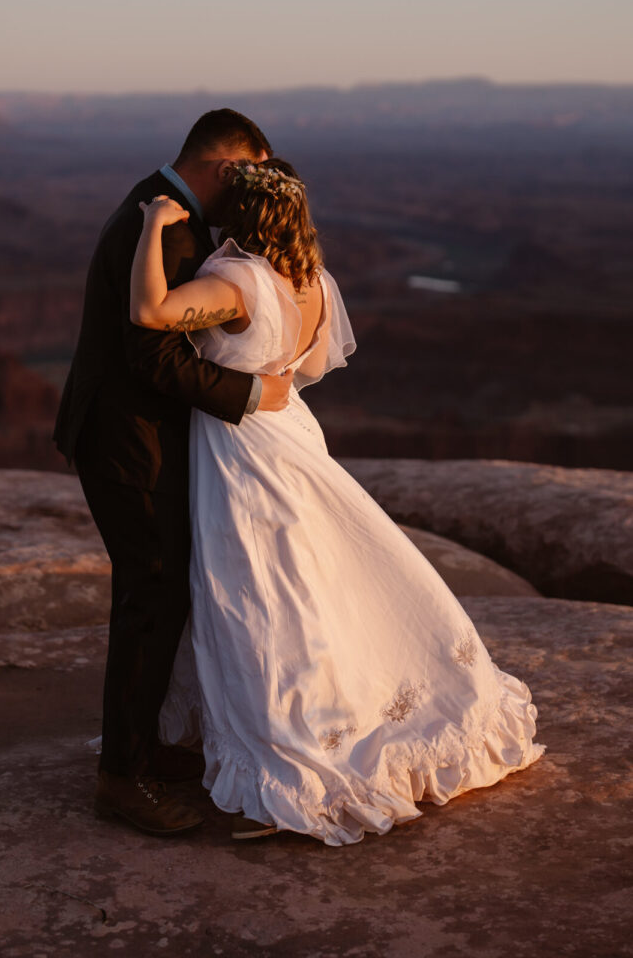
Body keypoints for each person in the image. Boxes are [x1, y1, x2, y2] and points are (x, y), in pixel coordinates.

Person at [129, 158, 546, 846]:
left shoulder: (236, 282)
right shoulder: (314, 282)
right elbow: (304, 369)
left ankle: (297, 751)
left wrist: (152, 224)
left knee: (260, 590)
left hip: (244, 451)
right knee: (312, 579)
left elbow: (149, 312)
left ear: (245, 218)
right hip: (289, 426)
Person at [53, 110, 295, 835]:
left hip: (135, 437)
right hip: (127, 443)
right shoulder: (165, 227)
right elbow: (151, 356)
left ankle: (147, 747)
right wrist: (255, 395)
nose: (247, 194)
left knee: (161, 594)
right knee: (149, 597)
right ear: (224, 169)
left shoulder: (162, 212)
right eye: (247, 175)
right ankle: (120, 779)